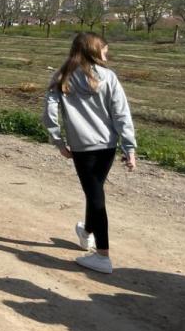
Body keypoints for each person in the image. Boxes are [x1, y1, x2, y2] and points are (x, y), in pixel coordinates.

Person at [42, 32, 136, 275]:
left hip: (82, 148)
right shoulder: (109, 77)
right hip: (107, 147)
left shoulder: (62, 76)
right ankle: (86, 233)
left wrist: (58, 142)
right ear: (94, 51)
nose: (107, 55)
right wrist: (129, 146)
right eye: (104, 51)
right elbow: (121, 113)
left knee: (95, 195)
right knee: (95, 191)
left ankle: (102, 255)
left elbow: (49, 114)